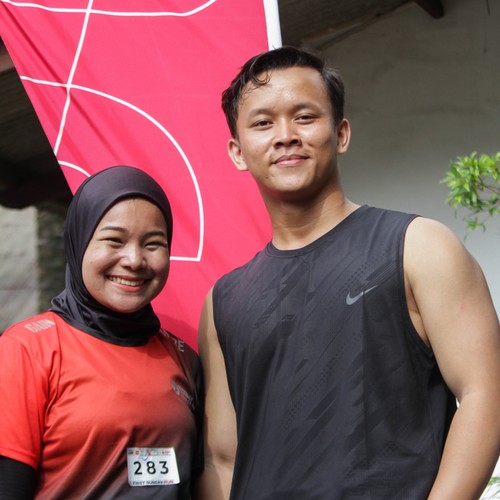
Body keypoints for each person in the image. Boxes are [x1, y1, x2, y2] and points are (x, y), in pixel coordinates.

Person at [197, 46, 500, 499]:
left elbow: (485, 393)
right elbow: (222, 459)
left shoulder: (418, 247)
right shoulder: (224, 300)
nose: (285, 136)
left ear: (340, 134)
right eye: (263, 123)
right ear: (238, 152)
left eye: (305, 117)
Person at [0, 166, 203, 499]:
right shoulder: (27, 349)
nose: (134, 260)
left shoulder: (185, 359)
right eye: (114, 241)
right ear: (79, 242)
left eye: (153, 244)